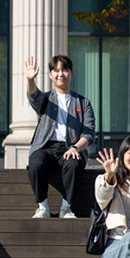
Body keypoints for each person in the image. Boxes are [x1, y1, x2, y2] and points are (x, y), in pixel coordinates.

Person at [24, 54, 96, 219]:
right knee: (36, 163)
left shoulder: (83, 102)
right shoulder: (46, 99)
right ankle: (43, 207)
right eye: (56, 70)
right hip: (46, 147)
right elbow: (33, 96)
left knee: (74, 163)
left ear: (71, 73)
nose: (60, 74)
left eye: (64, 70)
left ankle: (66, 208)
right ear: (50, 75)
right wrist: (30, 80)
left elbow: (89, 132)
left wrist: (76, 147)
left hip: (71, 147)